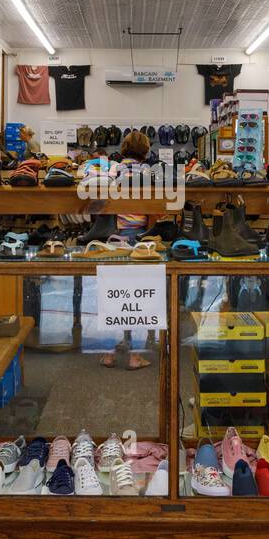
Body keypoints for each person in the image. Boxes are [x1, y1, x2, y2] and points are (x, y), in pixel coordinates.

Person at [103, 130, 152, 371]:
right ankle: (134, 356)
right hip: (139, 236)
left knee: (114, 294)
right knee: (139, 296)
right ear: (145, 149)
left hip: (114, 234)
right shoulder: (147, 171)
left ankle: (109, 353)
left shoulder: (113, 169)